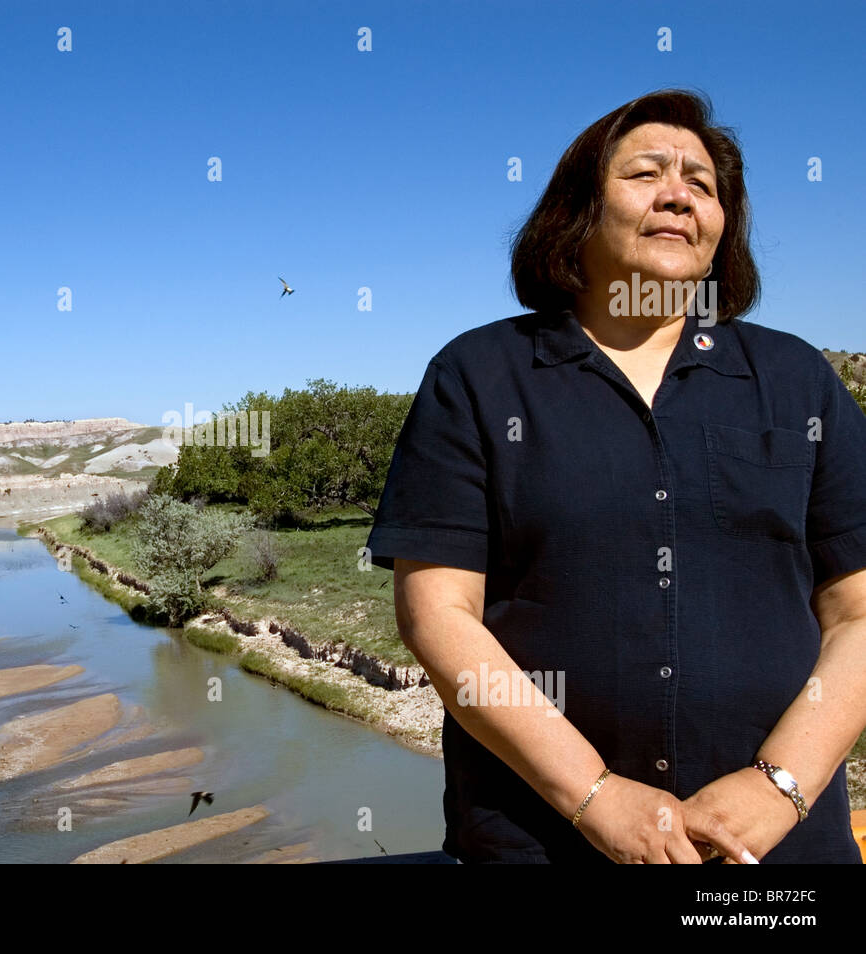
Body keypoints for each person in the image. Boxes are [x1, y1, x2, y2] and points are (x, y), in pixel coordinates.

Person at [364, 88, 866, 863]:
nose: (678, 194)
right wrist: (594, 796)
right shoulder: (479, 376)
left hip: (779, 850)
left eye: (703, 185)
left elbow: (858, 616)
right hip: (539, 839)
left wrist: (777, 788)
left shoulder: (797, 380)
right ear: (578, 211)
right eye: (646, 174)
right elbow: (440, 617)